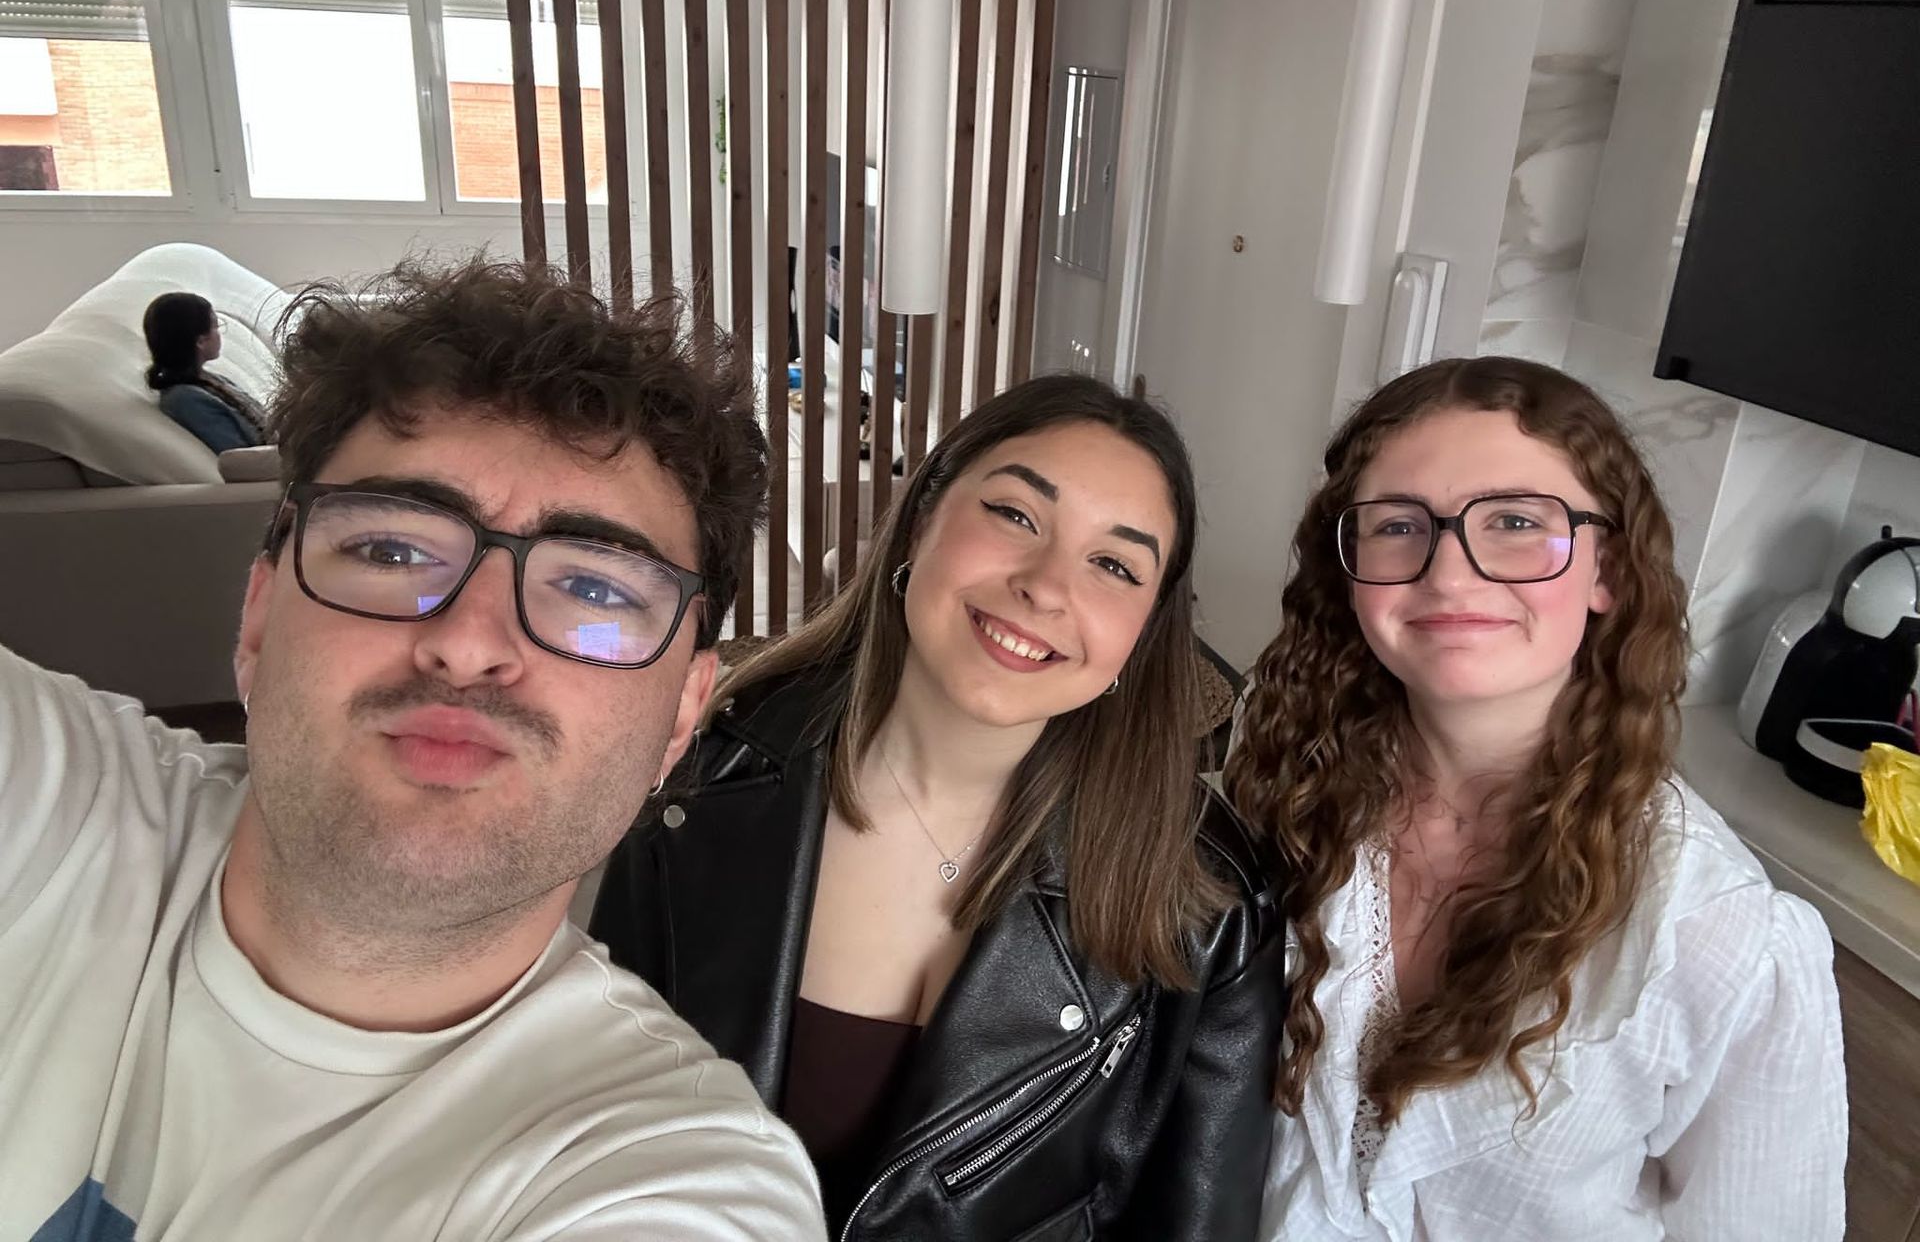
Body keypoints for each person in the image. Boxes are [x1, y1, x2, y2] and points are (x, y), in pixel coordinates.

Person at [0, 258, 827, 1240]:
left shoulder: (666, 1182)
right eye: (393, 550)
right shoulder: (43, 801)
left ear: (682, 717)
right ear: (259, 615)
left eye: (598, 589)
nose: (470, 642)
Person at [590, 372, 1287, 1241]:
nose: (1045, 585)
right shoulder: (697, 783)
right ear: (923, 518)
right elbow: (602, 1124)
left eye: (1113, 564)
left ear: (1145, 630)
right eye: (1015, 516)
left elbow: (1197, 1226)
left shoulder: (1206, 896)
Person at [1228, 357, 1847, 1240]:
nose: (1448, 574)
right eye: (1400, 525)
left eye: (1517, 522)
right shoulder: (1283, 785)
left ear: (1610, 574)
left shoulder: (1724, 938)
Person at [143, 290, 270, 454]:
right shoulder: (185, 399)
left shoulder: (208, 379)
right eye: (216, 326)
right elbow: (241, 456)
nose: (219, 333)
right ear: (200, 341)